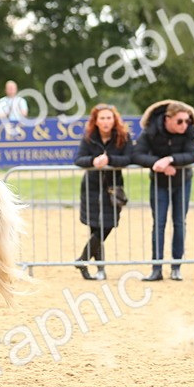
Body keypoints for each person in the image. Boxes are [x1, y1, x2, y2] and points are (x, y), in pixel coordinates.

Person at [132, 100, 194, 281]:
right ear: (167, 119)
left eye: (187, 121)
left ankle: (176, 267)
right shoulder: (151, 132)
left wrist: (170, 159)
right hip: (159, 183)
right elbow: (137, 154)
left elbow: (193, 155)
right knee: (159, 224)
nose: (184, 125)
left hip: (183, 182)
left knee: (179, 222)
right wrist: (157, 164)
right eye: (180, 121)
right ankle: (156, 268)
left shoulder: (188, 133)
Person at [73, 103, 133, 280]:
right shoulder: (89, 137)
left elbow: (130, 157)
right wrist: (93, 161)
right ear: (96, 121)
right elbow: (78, 159)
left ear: (114, 120)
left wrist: (110, 159)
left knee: (108, 224)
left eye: (109, 118)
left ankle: (83, 259)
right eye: (102, 118)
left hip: (113, 188)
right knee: (94, 227)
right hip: (91, 187)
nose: (106, 121)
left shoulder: (123, 136)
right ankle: (99, 270)